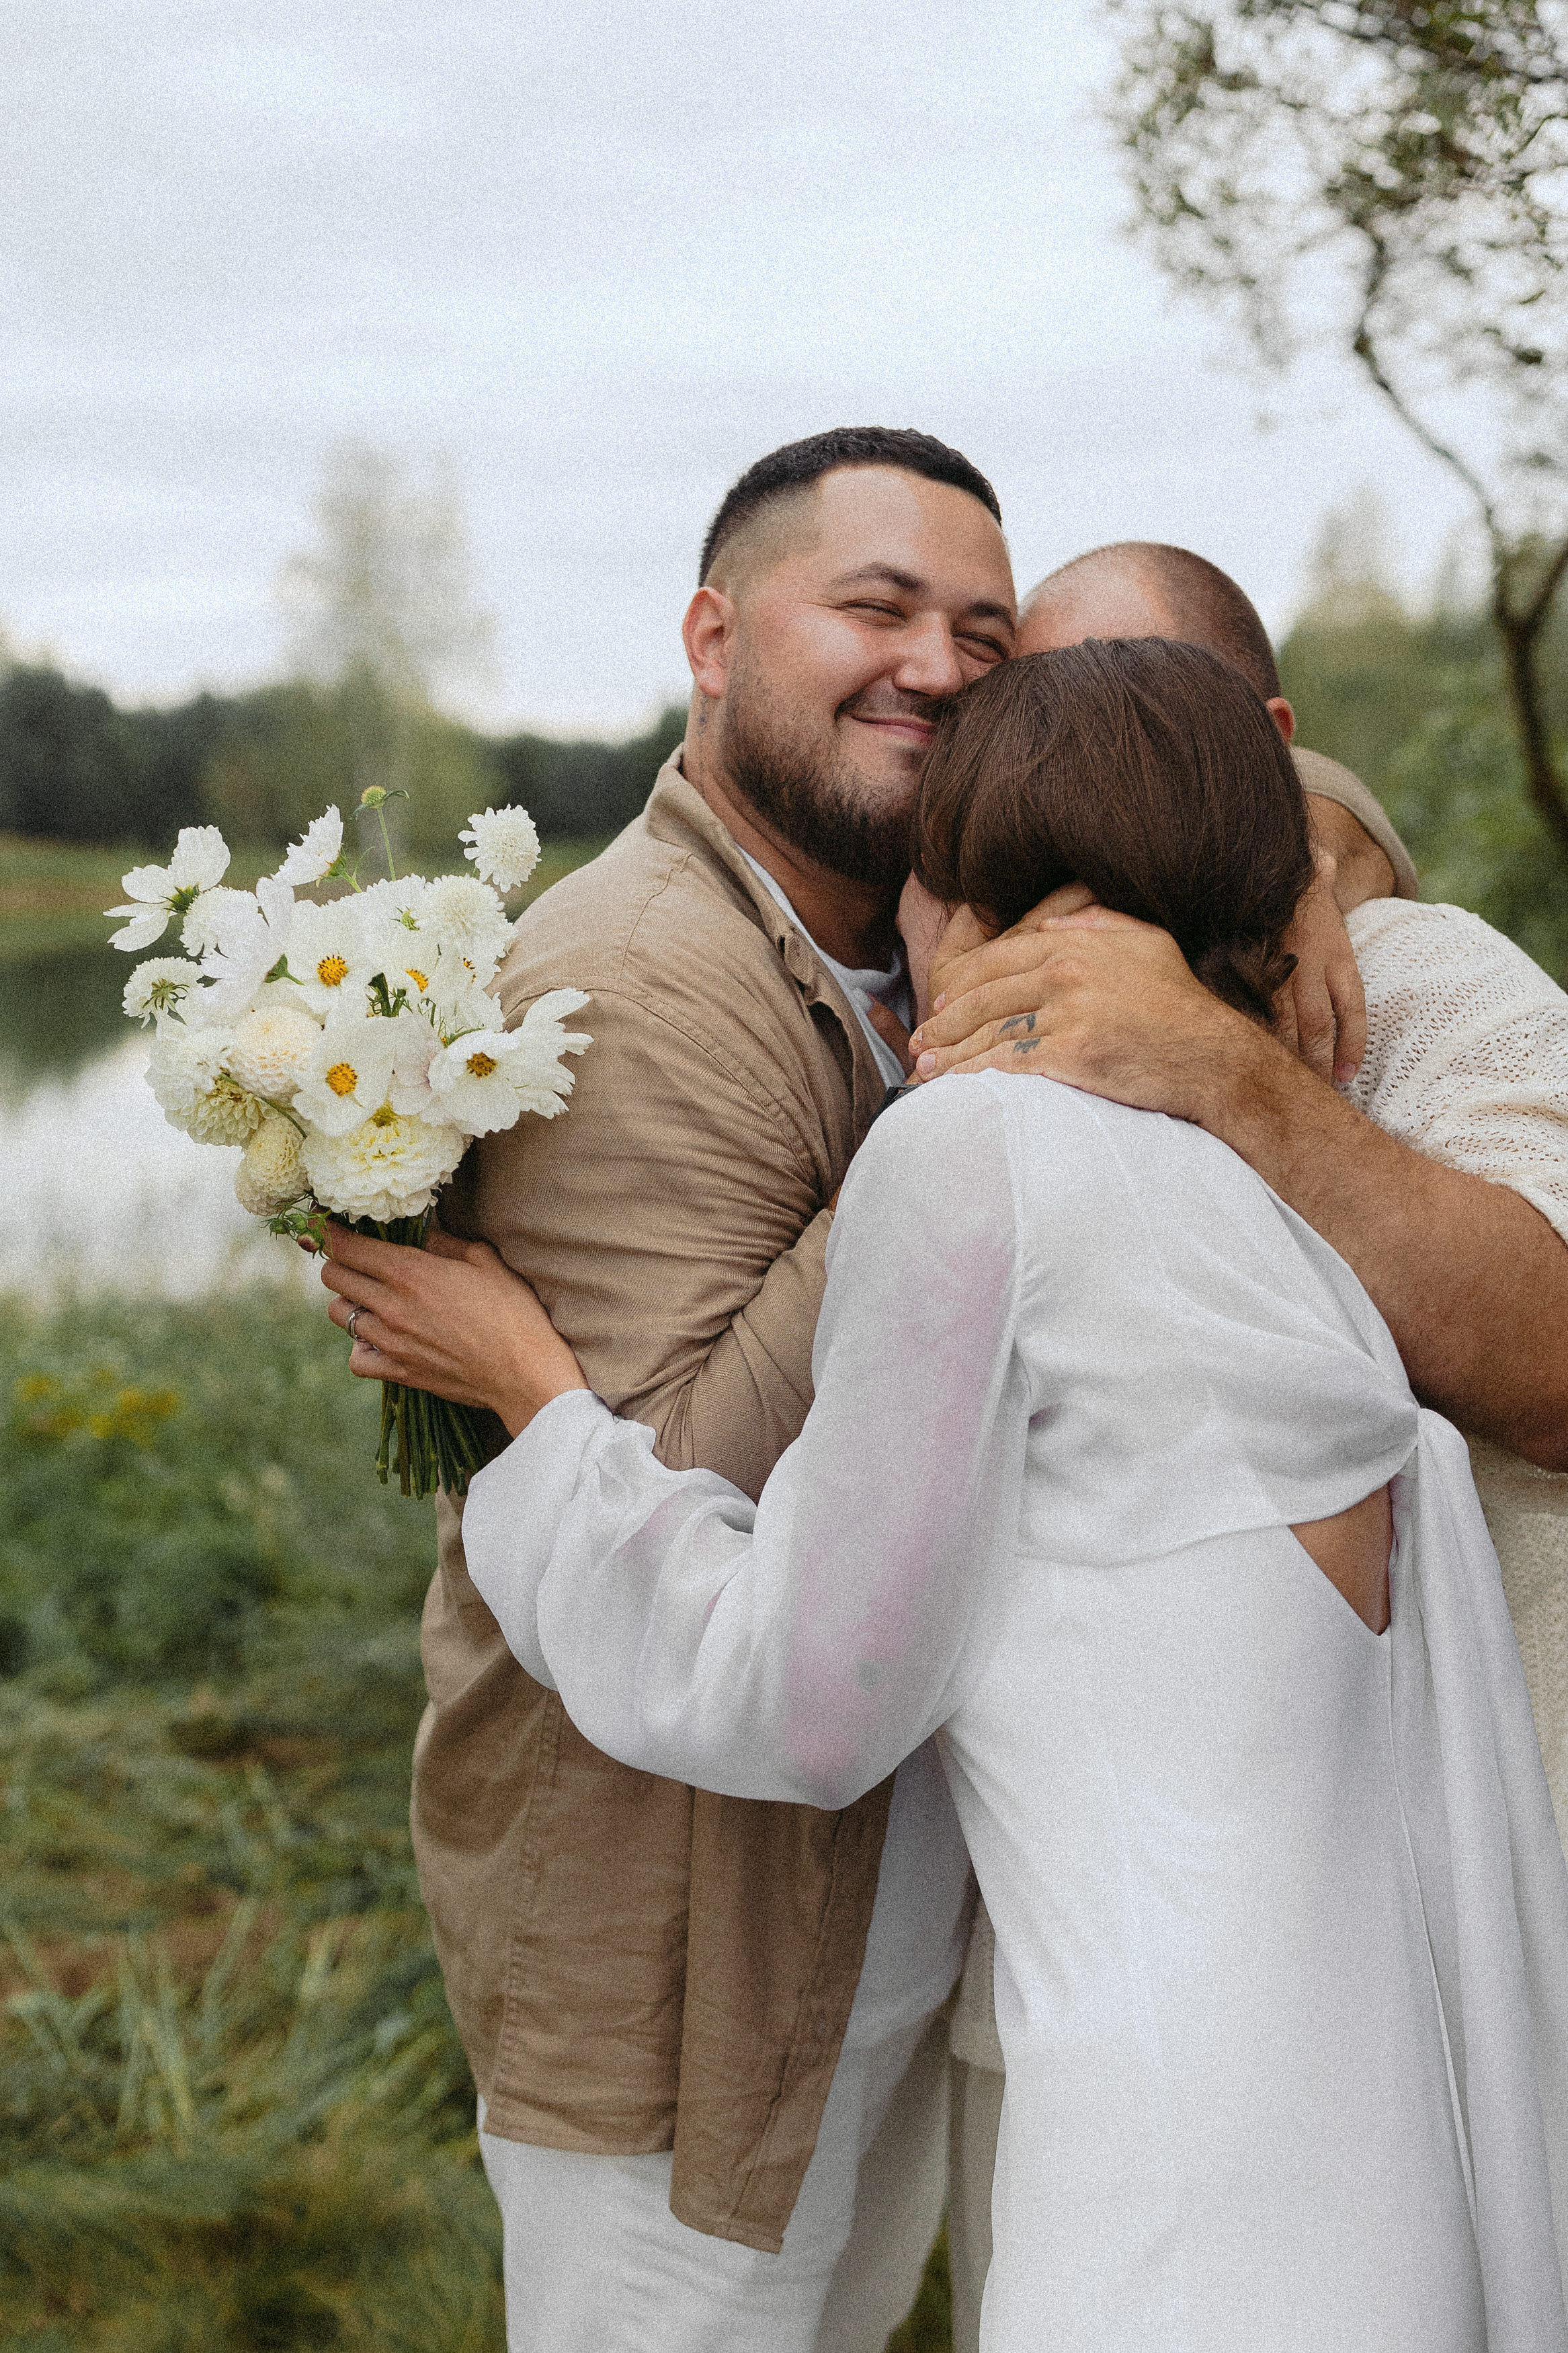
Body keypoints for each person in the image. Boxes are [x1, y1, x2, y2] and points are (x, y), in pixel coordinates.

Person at [376, 639, 1568, 2350]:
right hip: (1384, 2174)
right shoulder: (1297, 1181)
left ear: (979, 893)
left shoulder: (974, 1153)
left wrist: (535, 1404)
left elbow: (809, 1700)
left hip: (1162, 2219)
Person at [925, 541, 1568, 2350]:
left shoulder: (1430, 988)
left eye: (1152, 717)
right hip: (1088, 1948)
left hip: (1466, 1938)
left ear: (1266, 748)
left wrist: (1215, 1062)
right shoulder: (983, 995)